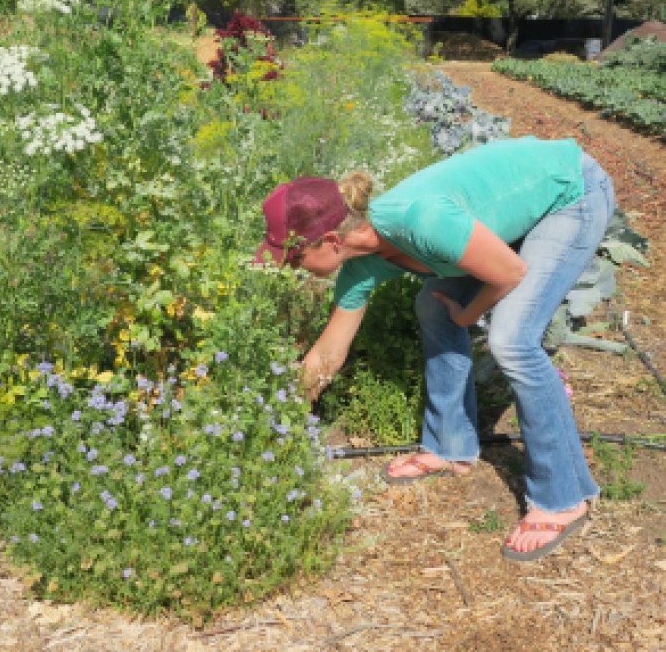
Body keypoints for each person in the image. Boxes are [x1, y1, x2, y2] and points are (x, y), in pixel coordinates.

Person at [254, 136, 615, 562]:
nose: (290, 267)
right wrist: (278, 422)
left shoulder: (418, 221)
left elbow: (510, 272)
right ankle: (450, 446)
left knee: (511, 340)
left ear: (331, 239)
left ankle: (563, 499)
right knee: (433, 304)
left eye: (295, 257)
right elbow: (327, 355)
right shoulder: (360, 264)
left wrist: (467, 315)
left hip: (569, 192)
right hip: (518, 214)